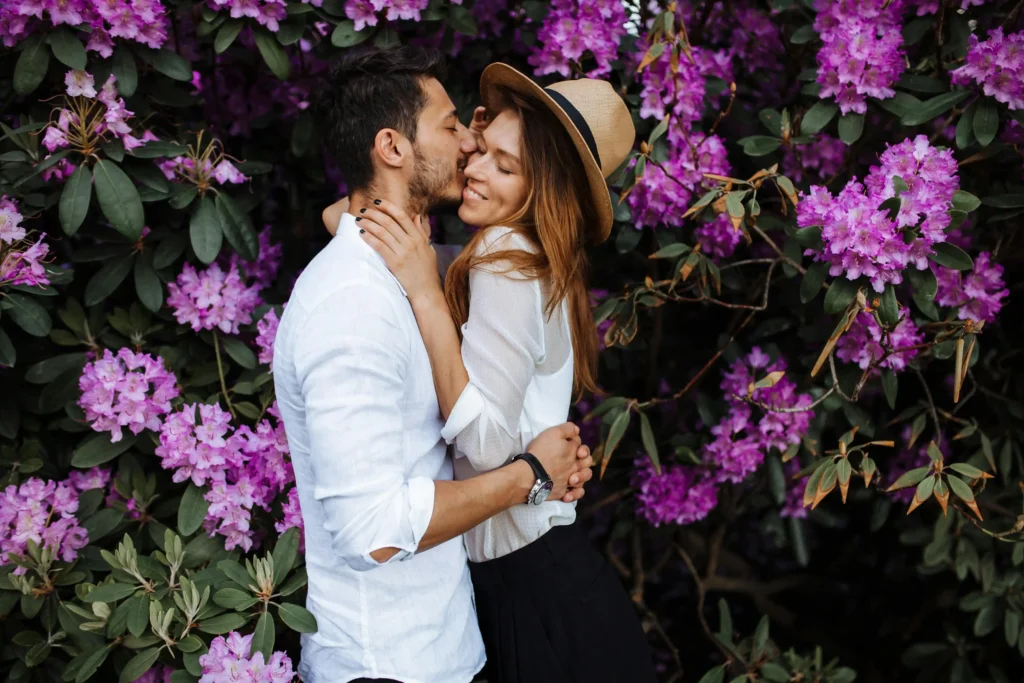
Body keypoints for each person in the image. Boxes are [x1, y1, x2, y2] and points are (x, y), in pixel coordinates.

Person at [273, 46, 596, 683]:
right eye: (453, 127)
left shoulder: (410, 264)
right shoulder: (353, 304)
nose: (469, 144)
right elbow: (375, 529)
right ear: (393, 147)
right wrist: (532, 472)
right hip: (386, 665)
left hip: (445, 647)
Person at [352, 63, 658, 682]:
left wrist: (426, 299)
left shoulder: (501, 255)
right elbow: (353, 223)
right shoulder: (517, 253)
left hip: (534, 592)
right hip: (546, 581)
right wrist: (469, 145)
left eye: (505, 165)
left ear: (542, 192)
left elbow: (488, 447)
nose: (475, 168)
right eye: (480, 150)